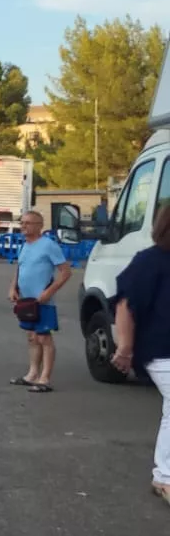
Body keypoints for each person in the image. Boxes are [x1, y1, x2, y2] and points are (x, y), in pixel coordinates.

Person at [107, 205, 170, 505]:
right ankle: (164, 477)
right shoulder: (150, 261)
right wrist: (124, 349)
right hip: (161, 350)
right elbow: (125, 306)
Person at [9, 210, 71, 394]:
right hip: (26, 301)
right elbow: (20, 269)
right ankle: (32, 374)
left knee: (44, 337)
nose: (23, 226)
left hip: (43, 301)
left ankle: (45, 378)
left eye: (28, 223)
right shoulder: (25, 245)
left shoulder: (48, 245)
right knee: (31, 337)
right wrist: (13, 287)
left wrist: (49, 292)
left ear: (39, 226)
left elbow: (66, 272)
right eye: (22, 223)